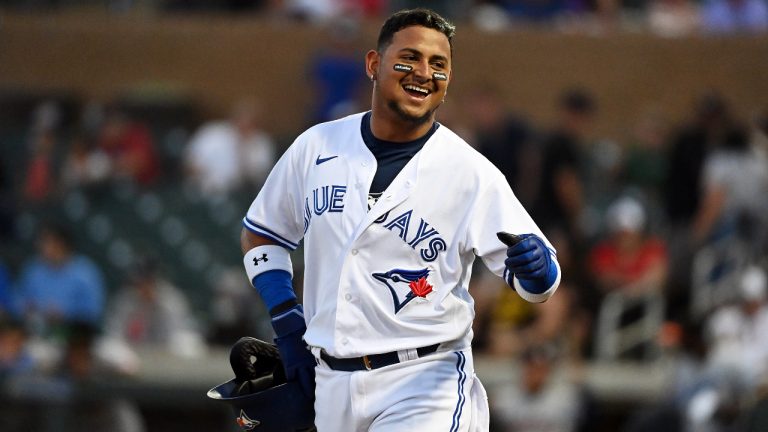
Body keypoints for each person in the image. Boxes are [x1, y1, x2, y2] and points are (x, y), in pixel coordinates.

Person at [237, 8, 561, 431]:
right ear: (374, 64)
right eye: (410, 57)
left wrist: (538, 270)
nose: (424, 73)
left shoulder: (470, 171)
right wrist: (286, 322)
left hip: (425, 380)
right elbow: (262, 235)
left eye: (438, 64)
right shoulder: (316, 146)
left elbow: (540, 284)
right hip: (330, 382)